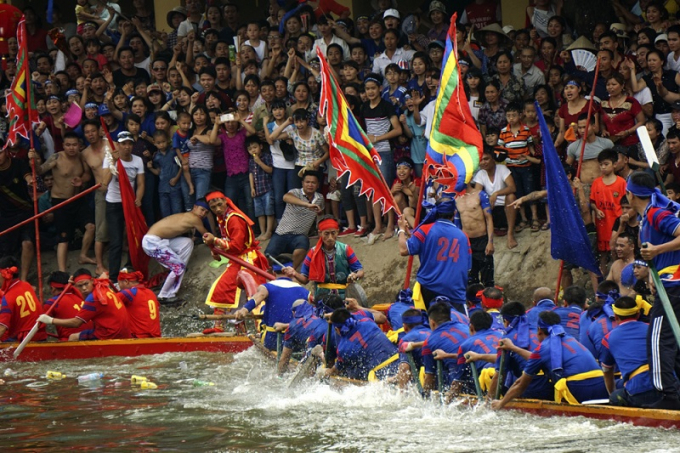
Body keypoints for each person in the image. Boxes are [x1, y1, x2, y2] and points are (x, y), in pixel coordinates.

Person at [627, 171, 680, 409]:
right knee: (671, 341)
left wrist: (657, 251)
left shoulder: (656, 213)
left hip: (673, 286)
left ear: (631, 194)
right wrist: (651, 271)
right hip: (667, 282)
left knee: (658, 341)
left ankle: (668, 397)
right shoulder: (645, 218)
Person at [492, 311, 608, 409]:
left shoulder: (542, 349)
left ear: (539, 331)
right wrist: (513, 348)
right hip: (602, 384)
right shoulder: (571, 339)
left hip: (579, 387)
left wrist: (501, 404)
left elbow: (521, 384)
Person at [202, 191, 269, 333]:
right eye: (213, 208)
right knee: (239, 295)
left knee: (222, 288)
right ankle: (239, 330)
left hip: (246, 260)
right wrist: (215, 247)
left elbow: (237, 246)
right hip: (239, 259)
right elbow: (229, 243)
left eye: (220, 205)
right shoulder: (223, 218)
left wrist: (215, 241)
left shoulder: (233, 219)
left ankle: (221, 327)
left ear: (226, 201)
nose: (217, 209)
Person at [29, 133, 95, 272]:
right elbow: (40, 170)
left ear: (79, 145)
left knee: (90, 227)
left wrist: (81, 180)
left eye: (74, 145)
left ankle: (83, 255)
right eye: (68, 145)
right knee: (63, 238)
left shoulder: (82, 157)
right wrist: (34, 161)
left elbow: (88, 174)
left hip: (78, 198)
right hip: (61, 201)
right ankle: (62, 271)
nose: (71, 148)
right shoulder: (57, 157)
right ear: (63, 145)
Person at [398, 198, 472, 312]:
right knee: (461, 327)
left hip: (429, 288)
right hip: (454, 291)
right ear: (454, 213)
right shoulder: (463, 236)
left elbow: (404, 249)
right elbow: (468, 267)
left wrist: (401, 230)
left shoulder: (425, 230)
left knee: (428, 325)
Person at [235, 256, 310, 351]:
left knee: (264, 309)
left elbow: (260, 295)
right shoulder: (304, 291)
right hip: (297, 341)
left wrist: (244, 310)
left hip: (273, 340)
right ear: (290, 272)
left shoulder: (266, 287)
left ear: (273, 272)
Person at [142, 200, 209, 303]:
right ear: (195, 207)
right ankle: (164, 296)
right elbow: (207, 236)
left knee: (187, 243)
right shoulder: (195, 218)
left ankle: (176, 272)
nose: (203, 213)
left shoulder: (188, 216)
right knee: (179, 267)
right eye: (202, 210)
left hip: (158, 241)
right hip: (151, 242)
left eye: (206, 212)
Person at [101, 131, 146, 284]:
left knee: (133, 236)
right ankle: (113, 278)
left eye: (129, 144)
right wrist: (113, 162)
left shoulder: (138, 160)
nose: (127, 147)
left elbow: (140, 183)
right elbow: (103, 184)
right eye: (124, 144)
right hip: (113, 203)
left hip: (130, 203)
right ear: (118, 145)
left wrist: (138, 198)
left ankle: (131, 268)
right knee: (116, 241)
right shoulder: (109, 159)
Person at [37, 268, 131, 341]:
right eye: (80, 286)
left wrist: (51, 320)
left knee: (73, 337)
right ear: (75, 286)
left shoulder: (93, 298)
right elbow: (104, 275)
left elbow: (76, 323)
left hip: (109, 333)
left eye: (86, 284)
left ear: (92, 281)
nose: (84, 288)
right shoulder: (102, 284)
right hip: (124, 331)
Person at [602, 296, 663, 407]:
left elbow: (607, 370)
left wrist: (612, 393)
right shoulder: (654, 328)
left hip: (639, 390)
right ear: (638, 314)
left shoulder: (608, 338)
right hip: (669, 385)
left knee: (615, 397)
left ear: (615, 317)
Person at [287, 216, 364, 299]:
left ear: (337, 232)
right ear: (320, 233)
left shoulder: (345, 249)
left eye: (333, 233)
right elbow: (305, 279)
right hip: (322, 298)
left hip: (344, 297)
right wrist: (294, 273)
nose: (330, 238)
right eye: (326, 234)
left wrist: (355, 276)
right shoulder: (313, 253)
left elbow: (360, 270)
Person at [489, 302, 553, 400]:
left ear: (506, 321)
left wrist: (488, 402)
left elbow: (500, 374)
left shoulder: (506, 339)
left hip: (530, 386)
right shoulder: (539, 330)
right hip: (551, 385)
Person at [264, 171, 324, 269]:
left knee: (301, 248)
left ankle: (292, 272)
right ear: (302, 183)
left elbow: (321, 214)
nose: (310, 185)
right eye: (307, 182)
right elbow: (285, 197)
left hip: (299, 235)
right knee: (267, 256)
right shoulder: (295, 192)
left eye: (313, 183)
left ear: (317, 185)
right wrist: (307, 205)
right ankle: (271, 275)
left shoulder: (320, 198)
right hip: (281, 233)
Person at [324, 308, 399, 381]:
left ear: (337, 329)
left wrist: (328, 372)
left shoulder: (343, 348)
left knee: (351, 370)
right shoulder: (367, 320)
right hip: (398, 360)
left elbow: (337, 370)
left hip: (381, 374)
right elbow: (380, 317)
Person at [0, 146, 36, 282]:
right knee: (6, 252)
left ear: (6, 151)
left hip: (25, 210)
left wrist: (30, 180)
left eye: (0, 153)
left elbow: (27, 175)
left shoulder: (18, 163)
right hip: (5, 215)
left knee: (27, 243)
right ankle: (6, 283)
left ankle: (24, 280)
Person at [81, 120, 112, 274]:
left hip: (117, 189)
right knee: (100, 229)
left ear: (99, 131)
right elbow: (88, 174)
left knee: (123, 222)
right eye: (87, 132)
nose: (90, 134)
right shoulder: (85, 153)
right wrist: (81, 180)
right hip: (100, 192)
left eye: (93, 131)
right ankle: (99, 265)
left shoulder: (111, 144)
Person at [590, 148, 627, 275]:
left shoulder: (621, 183)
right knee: (603, 255)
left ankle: (618, 279)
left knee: (617, 254)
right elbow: (592, 202)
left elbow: (626, 203)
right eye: (601, 165)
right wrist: (596, 209)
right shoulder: (596, 183)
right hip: (602, 225)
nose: (603, 167)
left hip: (616, 226)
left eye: (606, 164)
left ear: (615, 164)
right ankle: (603, 281)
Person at [473, 148, 518, 249]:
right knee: (476, 202)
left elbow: (512, 187)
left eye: (486, 159)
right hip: (492, 209)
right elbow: (476, 193)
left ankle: (510, 234)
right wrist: (485, 201)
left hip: (506, 208)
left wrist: (496, 193)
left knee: (511, 197)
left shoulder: (502, 169)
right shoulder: (481, 174)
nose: (483, 162)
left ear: (493, 159)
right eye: (481, 160)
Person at [421, 301, 470, 394]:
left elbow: (429, 377)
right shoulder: (465, 326)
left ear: (432, 322)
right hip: (483, 369)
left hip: (460, 379)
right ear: (450, 318)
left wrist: (425, 397)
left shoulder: (428, 341)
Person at [451, 311, 502, 396]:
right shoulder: (502, 335)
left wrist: (447, 401)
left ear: (471, 327)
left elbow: (458, 381)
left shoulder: (465, 345)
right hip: (508, 375)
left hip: (490, 378)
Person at [0, 257, 46, 342]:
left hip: (25, 339)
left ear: (4, 274)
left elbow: (2, 328)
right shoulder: (26, 285)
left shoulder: (8, 297)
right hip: (40, 334)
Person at [277, 298, 327, 375]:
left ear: (294, 312)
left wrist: (279, 376)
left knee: (306, 372)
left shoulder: (293, 325)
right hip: (331, 332)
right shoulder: (317, 311)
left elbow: (284, 358)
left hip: (315, 340)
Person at [458, 182, 494, 287]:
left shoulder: (480, 195)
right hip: (467, 242)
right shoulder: (456, 198)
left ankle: (489, 300)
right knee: (470, 278)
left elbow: (489, 219)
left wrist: (490, 242)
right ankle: (472, 301)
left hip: (482, 239)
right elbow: (457, 223)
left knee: (487, 278)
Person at [44, 271, 91, 341]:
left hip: (70, 341)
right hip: (90, 337)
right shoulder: (80, 297)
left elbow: (38, 323)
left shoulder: (53, 302)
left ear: (53, 288)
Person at [116, 268, 161, 338]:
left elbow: (109, 301)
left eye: (119, 284)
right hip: (156, 337)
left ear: (126, 281)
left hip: (139, 337)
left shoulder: (129, 293)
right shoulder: (151, 292)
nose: (119, 287)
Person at [395, 308, 431, 389]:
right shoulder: (432, 332)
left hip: (432, 380)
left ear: (404, 326)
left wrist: (401, 395)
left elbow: (404, 369)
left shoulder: (406, 340)